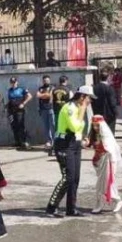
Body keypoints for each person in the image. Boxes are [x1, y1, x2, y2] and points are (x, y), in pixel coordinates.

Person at [46, 85, 95, 218]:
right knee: (68, 177)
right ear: (82, 97)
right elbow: (74, 127)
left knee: (75, 178)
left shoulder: (78, 108)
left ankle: (71, 208)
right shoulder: (70, 108)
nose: (90, 102)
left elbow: (79, 129)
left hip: (75, 144)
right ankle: (52, 207)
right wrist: (83, 109)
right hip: (64, 144)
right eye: (89, 99)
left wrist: (83, 139)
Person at [88, 115, 122, 214]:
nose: (95, 128)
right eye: (94, 126)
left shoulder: (107, 136)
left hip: (108, 161)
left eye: (97, 126)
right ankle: (101, 203)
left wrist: (112, 163)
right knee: (100, 185)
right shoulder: (94, 135)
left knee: (106, 183)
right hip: (98, 161)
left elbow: (111, 150)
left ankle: (117, 200)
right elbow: (90, 145)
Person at [6, 76, 32, 150]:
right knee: (14, 126)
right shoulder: (9, 90)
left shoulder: (21, 90)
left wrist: (23, 103)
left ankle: (24, 142)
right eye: (12, 82)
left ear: (17, 82)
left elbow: (29, 96)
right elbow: (10, 100)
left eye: (14, 82)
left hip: (19, 111)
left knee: (21, 126)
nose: (13, 84)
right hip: (11, 111)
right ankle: (17, 141)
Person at [37, 75, 55, 152]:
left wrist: (43, 95)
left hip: (51, 109)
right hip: (42, 109)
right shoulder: (40, 88)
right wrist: (45, 95)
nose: (46, 82)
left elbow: (50, 95)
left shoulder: (52, 87)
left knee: (53, 125)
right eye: (44, 80)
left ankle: (55, 142)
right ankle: (49, 141)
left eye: (47, 80)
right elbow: (38, 95)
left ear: (49, 81)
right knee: (46, 126)